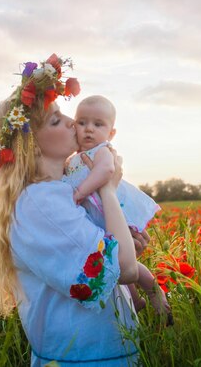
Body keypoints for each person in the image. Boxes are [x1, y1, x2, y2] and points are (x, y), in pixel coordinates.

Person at [0, 55, 144, 366]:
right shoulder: (40, 203)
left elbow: (113, 256)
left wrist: (126, 241)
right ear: (30, 144)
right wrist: (108, 190)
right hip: (83, 359)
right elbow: (125, 270)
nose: (73, 122)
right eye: (56, 120)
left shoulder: (62, 191)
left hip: (104, 352)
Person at [64, 95, 169, 315]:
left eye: (98, 124)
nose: (88, 129)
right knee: (114, 260)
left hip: (110, 211)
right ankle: (136, 299)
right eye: (81, 123)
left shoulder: (102, 151)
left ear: (111, 133)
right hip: (95, 216)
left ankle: (151, 288)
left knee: (124, 257)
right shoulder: (72, 159)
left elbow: (106, 171)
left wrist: (80, 192)